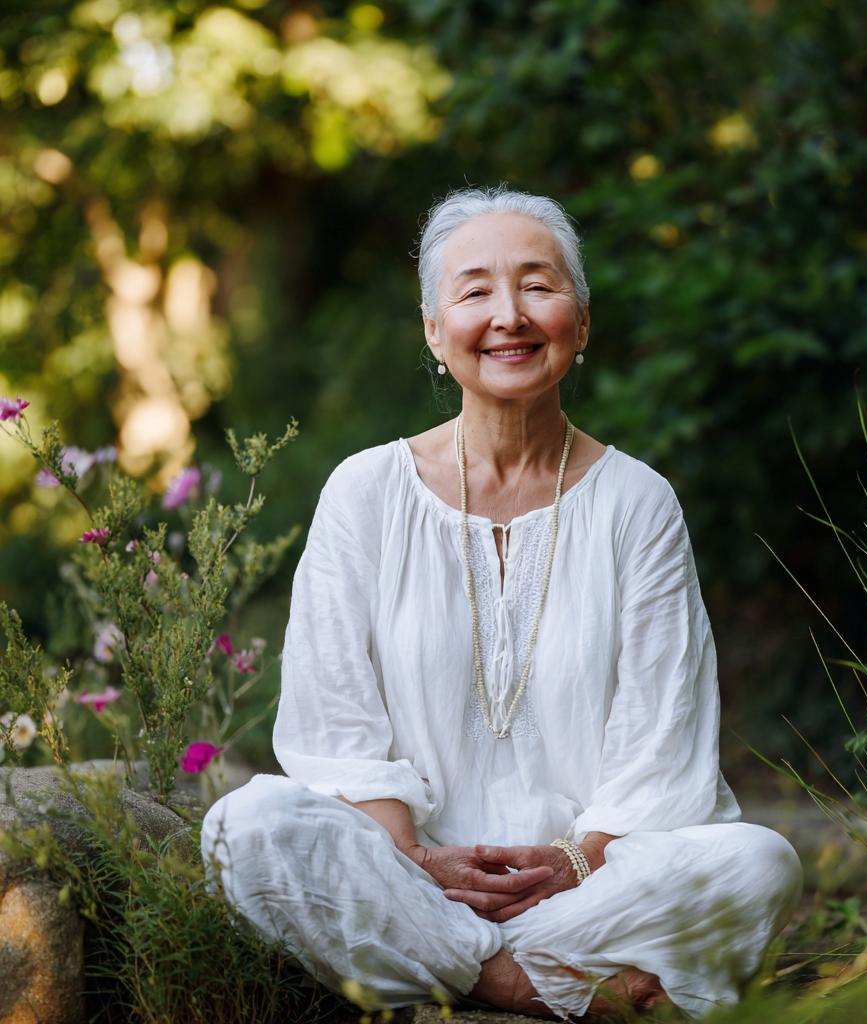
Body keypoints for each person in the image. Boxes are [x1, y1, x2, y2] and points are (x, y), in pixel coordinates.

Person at [201, 186, 801, 1020]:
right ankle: (534, 987)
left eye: (539, 286)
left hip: (590, 880)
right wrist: (413, 861)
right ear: (433, 330)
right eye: (476, 290)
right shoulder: (366, 492)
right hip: (405, 873)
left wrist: (573, 862)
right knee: (249, 826)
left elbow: (660, 752)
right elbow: (335, 729)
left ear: (581, 324)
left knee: (760, 863)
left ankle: (441, 969)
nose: (509, 315)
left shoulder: (639, 503)